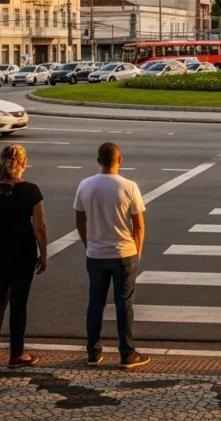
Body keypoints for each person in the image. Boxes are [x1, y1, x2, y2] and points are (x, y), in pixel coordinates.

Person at [73, 142, 148, 370]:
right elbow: (139, 226)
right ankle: (127, 353)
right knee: (123, 303)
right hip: (124, 253)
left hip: (95, 253)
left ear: (99, 161)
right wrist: (137, 251)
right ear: (120, 159)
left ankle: (93, 353)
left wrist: (88, 243)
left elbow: (79, 219)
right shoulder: (129, 186)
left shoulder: (85, 185)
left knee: (95, 302)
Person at [0, 145, 48, 367]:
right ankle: (17, 353)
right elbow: (39, 227)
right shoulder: (31, 191)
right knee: (18, 302)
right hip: (22, 252)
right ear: (22, 164)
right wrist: (44, 254)